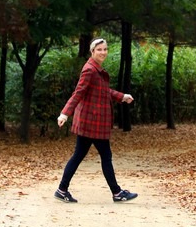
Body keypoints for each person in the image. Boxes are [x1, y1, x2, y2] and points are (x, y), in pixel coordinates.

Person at [55, 37, 138, 203]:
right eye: (99, 49)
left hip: (91, 122)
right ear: (92, 52)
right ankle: (116, 192)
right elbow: (78, 93)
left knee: (79, 155)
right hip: (92, 122)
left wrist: (122, 97)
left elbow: (103, 91)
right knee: (105, 156)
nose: (103, 52)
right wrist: (65, 113)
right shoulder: (89, 70)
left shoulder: (96, 69)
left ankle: (62, 189)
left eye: (105, 49)